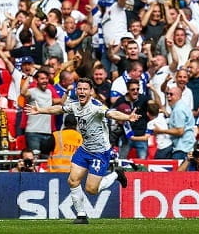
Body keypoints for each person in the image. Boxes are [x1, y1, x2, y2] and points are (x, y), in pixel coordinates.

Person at [25, 77, 135, 224]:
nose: (82, 91)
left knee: (91, 189)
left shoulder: (97, 107)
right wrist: (41, 110)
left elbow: (112, 113)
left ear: (91, 92)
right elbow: (59, 108)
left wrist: (128, 117)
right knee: (72, 180)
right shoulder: (75, 105)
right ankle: (81, 215)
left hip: (100, 153)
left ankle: (116, 174)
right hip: (84, 150)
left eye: (85, 89)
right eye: (80, 89)